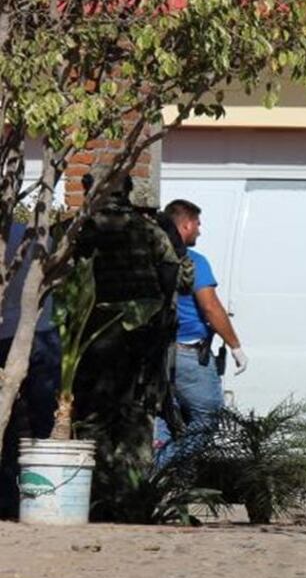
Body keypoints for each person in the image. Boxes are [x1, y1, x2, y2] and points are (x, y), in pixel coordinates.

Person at [73, 173, 193, 520]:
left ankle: (95, 498)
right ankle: (130, 501)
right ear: (127, 193)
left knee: (93, 417)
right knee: (137, 417)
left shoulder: (83, 230)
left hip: (94, 338)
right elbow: (180, 279)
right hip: (141, 338)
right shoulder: (148, 231)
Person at [153, 200, 247, 466]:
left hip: (158, 355)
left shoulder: (155, 260)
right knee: (207, 419)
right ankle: (158, 471)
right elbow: (210, 307)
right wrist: (235, 345)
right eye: (197, 224)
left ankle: (159, 490)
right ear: (185, 224)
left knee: (165, 421)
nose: (200, 231)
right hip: (188, 355)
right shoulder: (193, 262)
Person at [0, 221, 61, 518]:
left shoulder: (21, 235)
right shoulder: (38, 235)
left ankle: (11, 497)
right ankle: (39, 496)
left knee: (9, 422)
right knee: (40, 423)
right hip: (41, 331)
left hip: (9, 335)